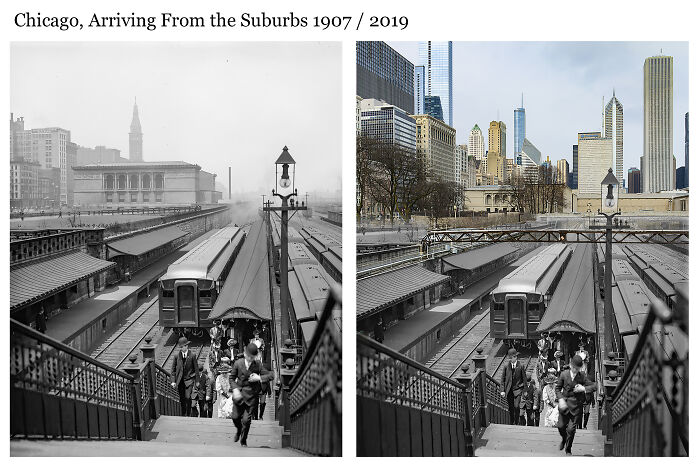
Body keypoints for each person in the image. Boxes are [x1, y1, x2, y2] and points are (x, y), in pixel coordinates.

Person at [229, 343, 274, 447]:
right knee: (235, 417)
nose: (250, 359)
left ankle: (243, 440)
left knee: (246, 420)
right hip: (239, 395)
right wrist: (235, 389)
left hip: (251, 397)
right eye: (249, 356)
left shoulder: (258, 365)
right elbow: (231, 378)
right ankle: (239, 429)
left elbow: (271, 375)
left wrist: (259, 378)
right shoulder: (238, 363)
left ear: (255, 356)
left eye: (252, 357)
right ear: (245, 354)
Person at [555, 354, 597, 455]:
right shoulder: (564, 374)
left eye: (577, 369)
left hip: (576, 407)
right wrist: (560, 399)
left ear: (580, 368)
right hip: (564, 405)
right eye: (573, 368)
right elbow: (557, 389)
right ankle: (564, 439)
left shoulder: (582, 376)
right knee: (560, 426)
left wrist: (584, 389)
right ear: (570, 365)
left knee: (571, 429)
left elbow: (595, 386)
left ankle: (568, 449)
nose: (574, 370)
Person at [170, 336, 199, 417]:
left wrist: (197, 381)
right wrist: (173, 381)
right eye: (182, 347)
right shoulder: (176, 356)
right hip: (180, 381)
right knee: (182, 399)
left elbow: (196, 369)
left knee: (188, 397)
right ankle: (183, 414)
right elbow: (173, 370)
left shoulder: (192, 355)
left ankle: (189, 414)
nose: (184, 348)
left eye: (185, 346)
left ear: (187, 346)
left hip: (189, 380)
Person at [500, 348, 527, 425]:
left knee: (516, 406)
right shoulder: (506, 366)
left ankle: (517, 422)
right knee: (511, 408)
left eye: (512, 358)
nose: (510, 359)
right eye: (510, 358)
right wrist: (502, 390)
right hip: (509, 390)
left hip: (518, 390)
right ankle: (512, 422)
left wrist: (525, 391)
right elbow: (503, 379)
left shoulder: (521, 366)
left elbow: (524, 379)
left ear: (516, 357)